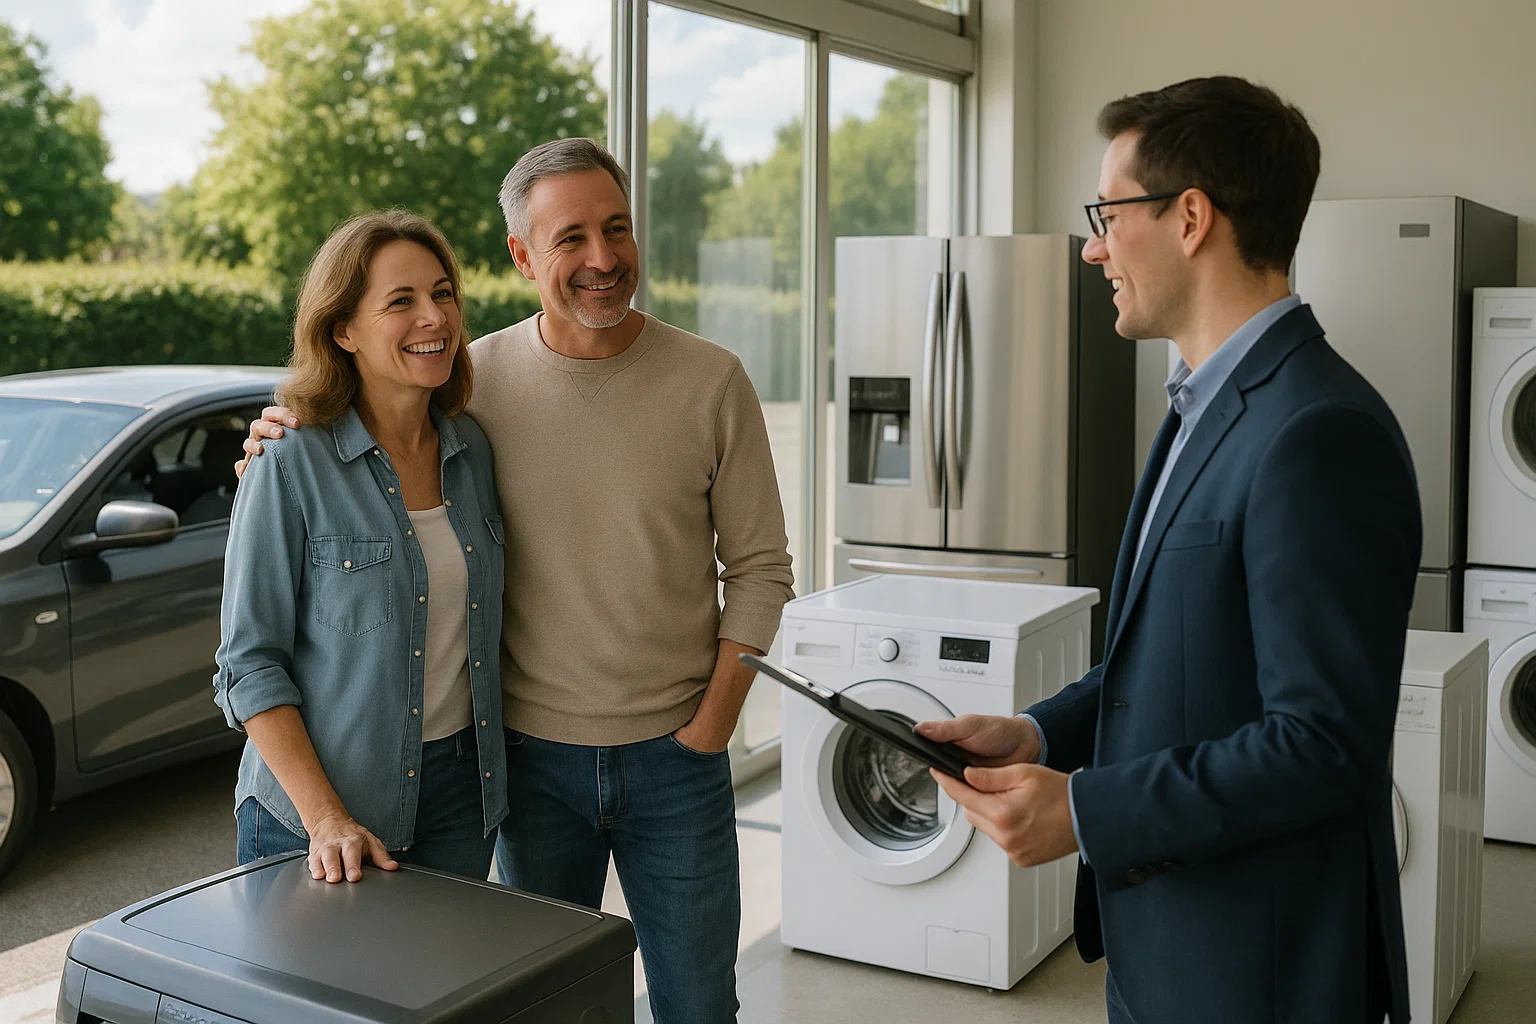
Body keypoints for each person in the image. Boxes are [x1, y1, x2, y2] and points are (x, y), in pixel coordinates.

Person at [237, 139, 795, 1022]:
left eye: (617, 230)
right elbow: (349, 447)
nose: (603, 259)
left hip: (675, 763)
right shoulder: (471, 385)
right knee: (543, 1008)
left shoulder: (710, 381)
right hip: (527, 767)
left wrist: (711, 726)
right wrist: (278, 434)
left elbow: (762, 570)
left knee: (699, 1008)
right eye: (571, 238)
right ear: (524, 257)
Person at [916, 77, 1420, 1024]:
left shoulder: (1318, 432)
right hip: (1172, 937)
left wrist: (1087, 811)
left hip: (1255, 970)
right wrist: (1038, 734)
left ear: (1191, 218)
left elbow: (1322, 747)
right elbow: (1184, 661)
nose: (1094, 245)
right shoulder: (1202, 402)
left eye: (1106, 213)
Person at [215, 210, 507, 885]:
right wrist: (327, 819)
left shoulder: (475, 453)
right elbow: (247, 664)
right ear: (342, 329)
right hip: (315, 819)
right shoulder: (288, 461)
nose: (433, 317)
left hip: (462, 800)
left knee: (441, 993)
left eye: (442, 293)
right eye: (400, 301)